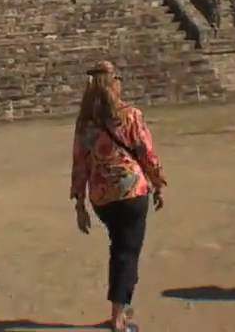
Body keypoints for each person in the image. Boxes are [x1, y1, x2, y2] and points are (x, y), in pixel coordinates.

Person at [70, 60, 166, 331]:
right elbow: (147, 153)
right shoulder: (130, 115)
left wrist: (79, 203)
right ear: (113, 83)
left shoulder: (86, 123)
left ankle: (120, 306)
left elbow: (79, 162)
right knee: (127, 251)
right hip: (131, 190)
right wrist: (157, 183)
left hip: (101, 195)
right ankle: (118, 319)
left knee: (120, 247)